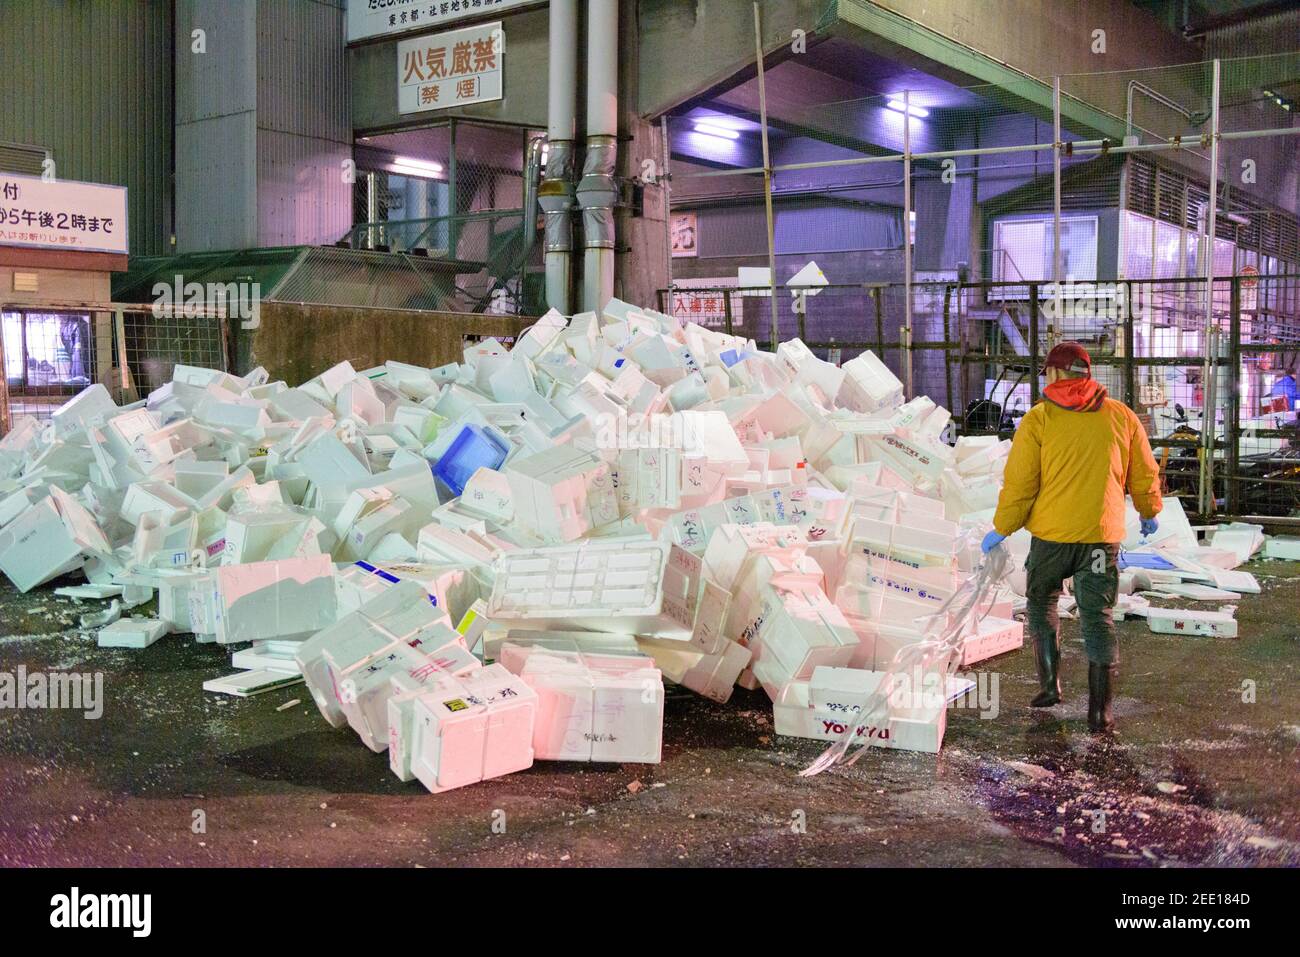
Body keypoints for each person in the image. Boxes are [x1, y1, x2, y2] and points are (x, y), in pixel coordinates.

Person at [981, 342, 1162, 733]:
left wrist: (1003, 526)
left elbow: (1020, 485)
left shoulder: (1039, 420)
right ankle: (1101, 712)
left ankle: (1050, 686)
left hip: (1051, 539)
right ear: (1087, 373)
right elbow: (1145, 474)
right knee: (1098, 616)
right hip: (1100, 540)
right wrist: (1149, 513)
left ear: (1054, 375)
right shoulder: (1122, 417)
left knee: (1042, 599)